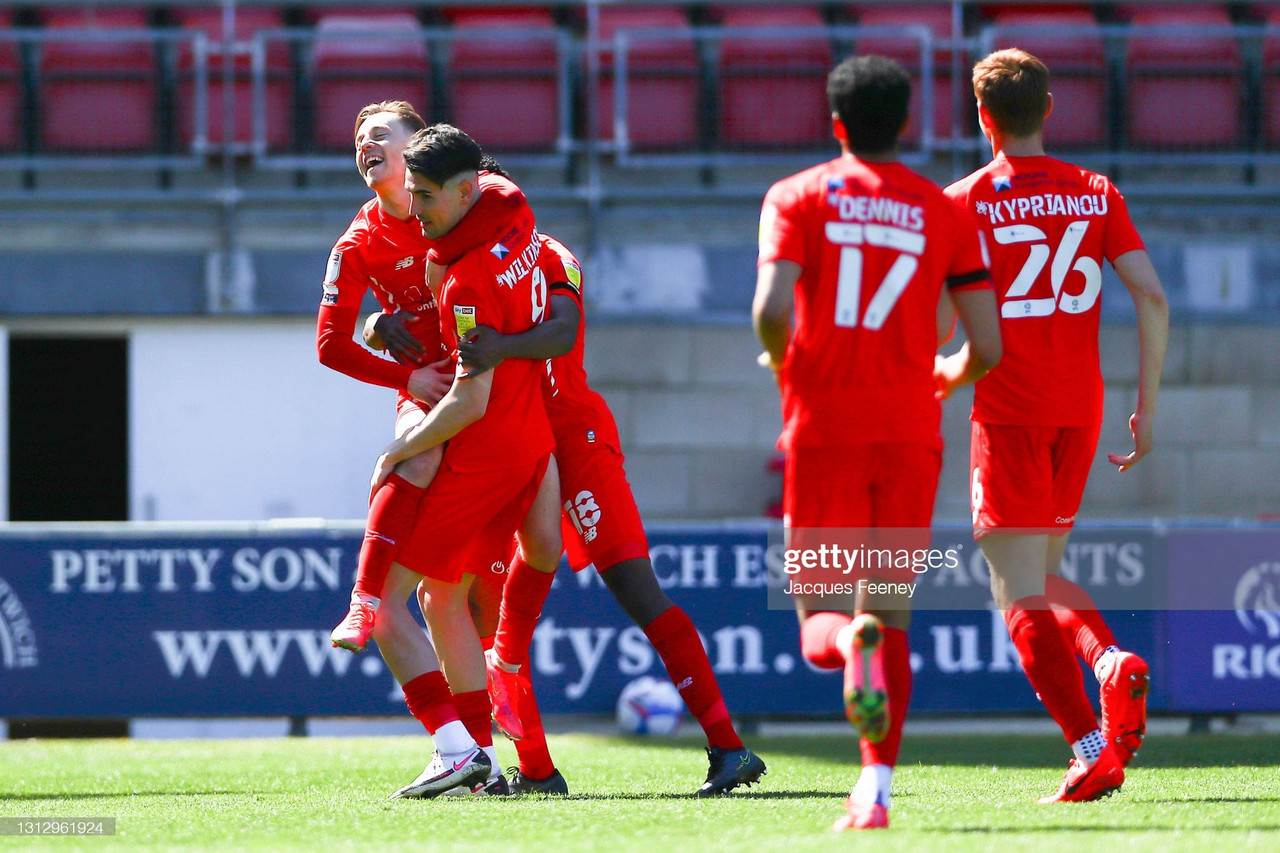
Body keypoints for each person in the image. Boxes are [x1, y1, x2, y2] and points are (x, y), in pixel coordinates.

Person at [375, 230, 767, 797]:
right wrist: (377, 326)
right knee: (465, 603)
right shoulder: (455, 265)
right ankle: (533, 768)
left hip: (571, 437)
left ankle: (728, 746)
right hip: (503, 447)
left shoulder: (545, 253)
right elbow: (427, 333)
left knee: (634, 587)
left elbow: (562, 332)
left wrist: (501, 347)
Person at [753, 55, 1002, 832]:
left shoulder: (794, 195)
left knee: (819, 617)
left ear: (835, 124)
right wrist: (948, 374)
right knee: (891, 611)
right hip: (908, 431)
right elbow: (987, 344)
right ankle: (875, 789)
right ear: (907, 124)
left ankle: (845, 643)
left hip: (825, 424)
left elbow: (768, 307)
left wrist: (785, 362)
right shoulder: (942, 207)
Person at [942, 49, 1169, 804]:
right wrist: (1146, 406)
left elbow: (942, 323)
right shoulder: (1097, 191)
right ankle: (1108, 664)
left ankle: (1091, 745)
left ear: (984, 118)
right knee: (1043, 575)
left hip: (1007, 411)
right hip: (1082, 408)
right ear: (1048, 110)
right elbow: (1151, 297)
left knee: (1015, 593)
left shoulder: (965, 201)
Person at [366, 123, 564, 799]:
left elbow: (467, 401)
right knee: (446, 594)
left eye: (423, 195)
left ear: (462, 188)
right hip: (532, 438)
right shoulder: (514, 207)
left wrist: (401, 446)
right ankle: (488, 756)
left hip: (486, 452)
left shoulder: (467, 279)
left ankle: (459, 748)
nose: (414, 208)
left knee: (390, 606)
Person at [317, 101, 531, 657]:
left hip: (503, 378)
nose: (365, 141)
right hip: (436, 387)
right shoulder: (358, 243)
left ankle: (504, 673)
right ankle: (364, 600)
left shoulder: (466, 197)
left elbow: (513, 212)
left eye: (381, 133)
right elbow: (328, 345)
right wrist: (406, 376)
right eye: (358, 136)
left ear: (417, 146)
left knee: (536, 536)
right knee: (418, 458)